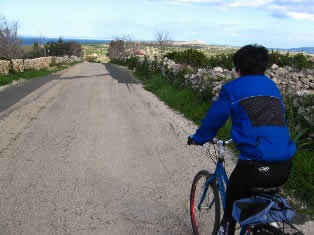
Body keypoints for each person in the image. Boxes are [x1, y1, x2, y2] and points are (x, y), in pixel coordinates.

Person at [187, 44, 296, 235]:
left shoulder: (232, 88)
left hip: (254, 166)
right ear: (263, 67)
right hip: (285, 165)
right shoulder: (272, 87)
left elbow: (213, 120)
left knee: (232, 201)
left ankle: (226, 227)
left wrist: (198, 138)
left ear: (238, 68)